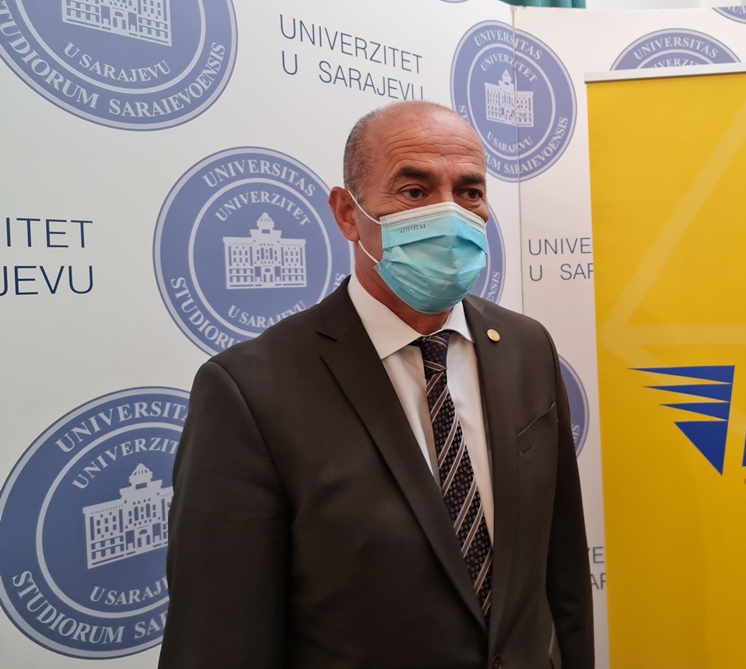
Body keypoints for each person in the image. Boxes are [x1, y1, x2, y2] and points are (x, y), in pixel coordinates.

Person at [158, 101, 594, 669]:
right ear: (347, 213)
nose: (448, 213)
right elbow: (220, 638)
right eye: (414, 191)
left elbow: (561, 570)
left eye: (469, 192)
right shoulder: (250, 391)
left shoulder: (526, 347)